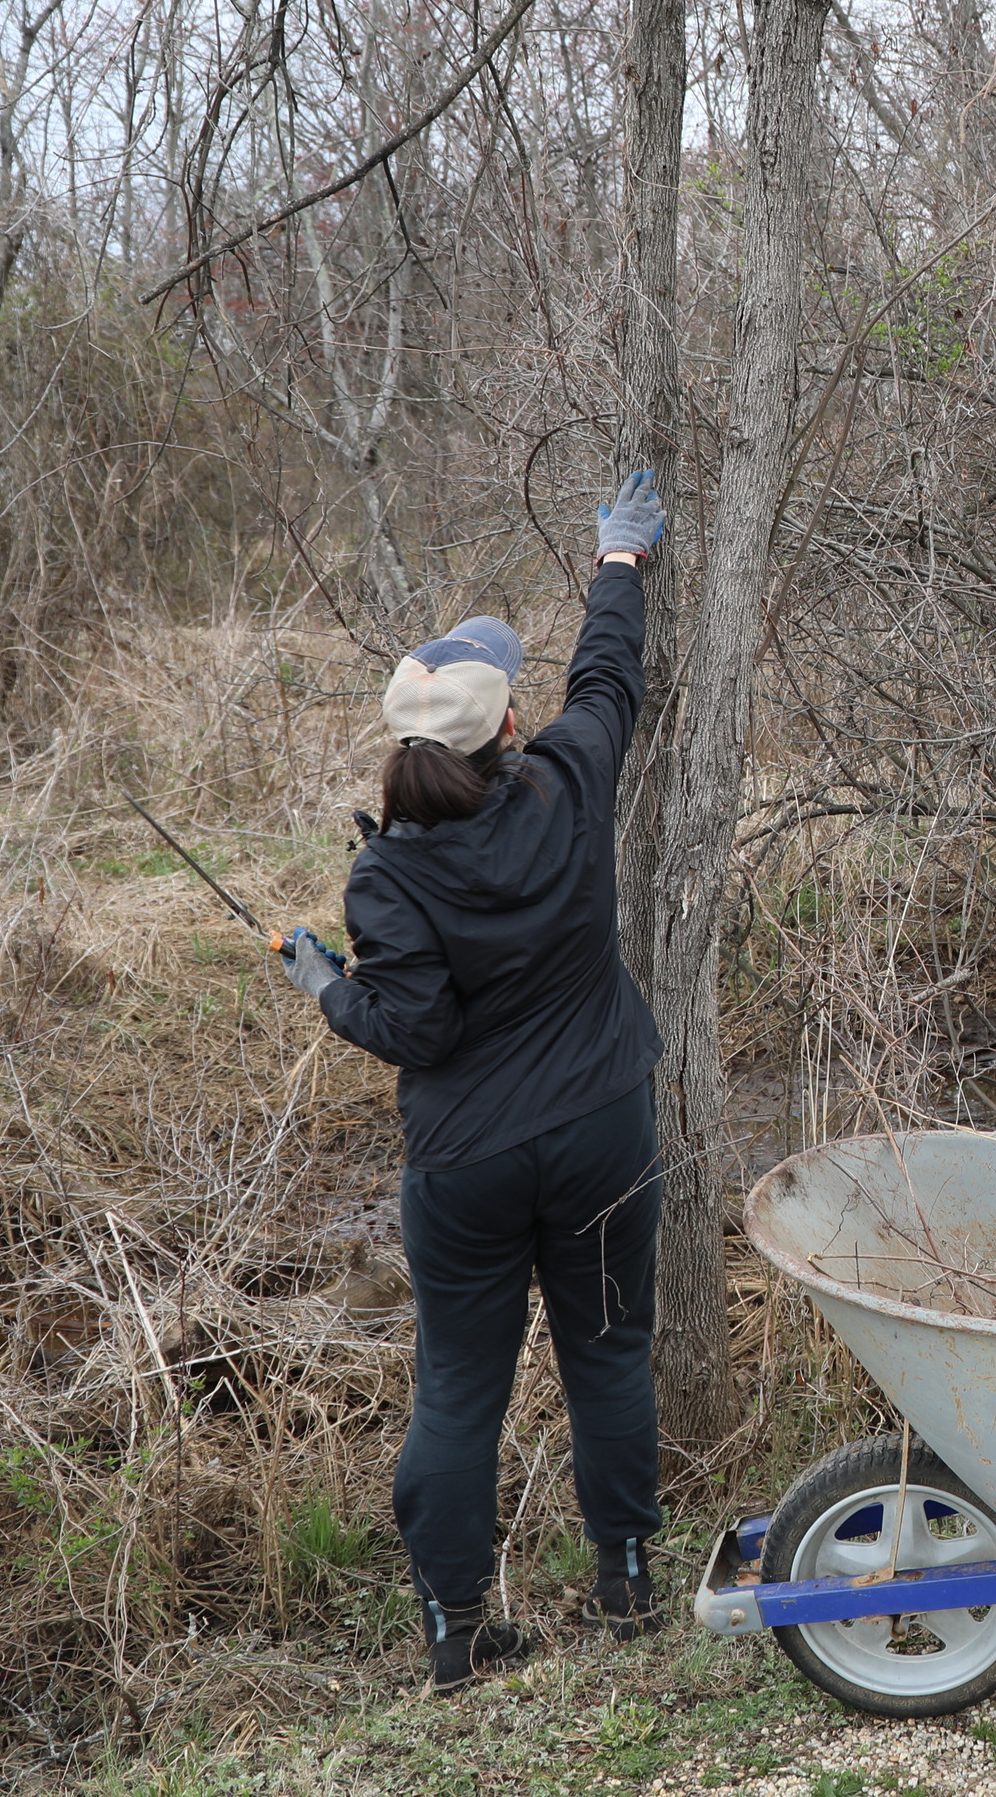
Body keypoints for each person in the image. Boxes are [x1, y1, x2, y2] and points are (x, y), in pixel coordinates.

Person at [273, 469, 673, 1689]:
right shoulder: (567, 783)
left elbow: (419, 1029)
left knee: (459, 1388)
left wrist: (322, 984)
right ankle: (627, 1580)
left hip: (469, 1166)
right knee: (609, 1354)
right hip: (603, 1126)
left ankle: (454, 1628)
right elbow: (609, 678)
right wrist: (618, 560)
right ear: (509, 725)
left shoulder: (385, 879)